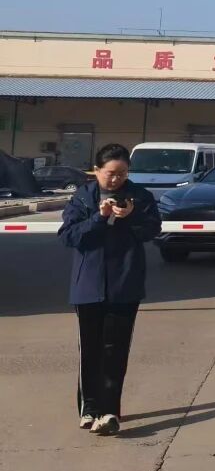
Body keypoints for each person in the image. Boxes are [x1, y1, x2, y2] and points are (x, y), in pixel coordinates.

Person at [58, 143, 162, 436]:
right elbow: (69, 236)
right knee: (90, 349)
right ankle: (89, 408)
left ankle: (109, 411)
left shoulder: (140, 197)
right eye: (110, 173)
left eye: (122, 174)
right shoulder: (83, 197)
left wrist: (131, 217)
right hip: (88, 285)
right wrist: (99, 218)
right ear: (96, 171)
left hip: (124, 283)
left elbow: (152, 230)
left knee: (116, 350)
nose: (115, 179)